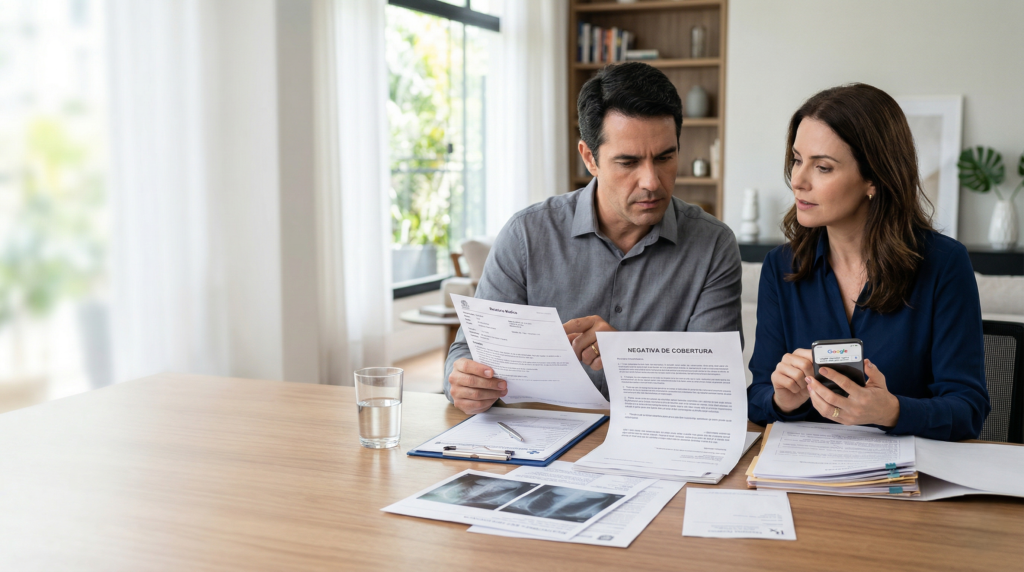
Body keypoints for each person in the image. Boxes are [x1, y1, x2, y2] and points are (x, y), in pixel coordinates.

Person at [443, 62, 742, 414]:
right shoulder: (526, 235)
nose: (651, 181)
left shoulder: (713, 246)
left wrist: (624, 356)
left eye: (665, 157)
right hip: (538, 442)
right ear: (590, 158)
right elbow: (467, 354)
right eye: (628, 162)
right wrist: (463, 381)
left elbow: (717, 386)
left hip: (656, 443)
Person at [746, 83, 990, 441]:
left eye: (823, 168)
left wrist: (891, 411)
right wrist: (782, 399)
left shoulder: (944, 264)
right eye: (797, 160)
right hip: (808, 478)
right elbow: (758, 397)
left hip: (905, 481)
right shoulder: (780, 266)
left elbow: (968, 408)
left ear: (873, 179)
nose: (798, 180)